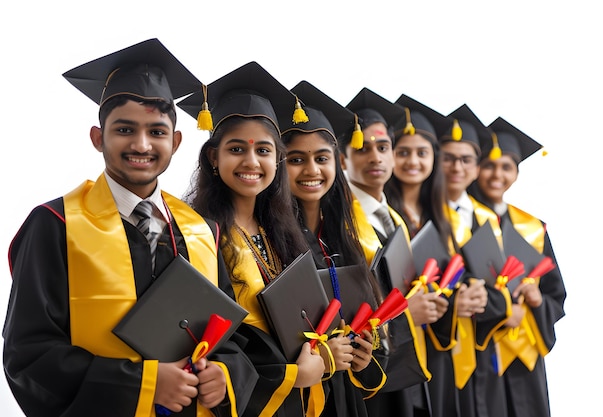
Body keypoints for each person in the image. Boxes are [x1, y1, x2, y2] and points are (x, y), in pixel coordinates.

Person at [3, 39, 257, 417]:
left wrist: (224, 373)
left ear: (175, 142)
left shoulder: (201, 230)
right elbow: (29, 352)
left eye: (156, 132)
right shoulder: (55, 225)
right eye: (125, 129)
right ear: (97, 137)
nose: (142, 144)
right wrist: (143, 384)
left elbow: (231, 333)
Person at [178, 61, 326, 417]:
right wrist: (293, 375)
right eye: (236, 149)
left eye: (263, 150)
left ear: (278, 159)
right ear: (214, 157)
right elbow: (208, 336)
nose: (251, 161)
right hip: (242, 400)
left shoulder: (286, 232)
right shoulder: (195, 234)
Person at [282, 80, 388, 416]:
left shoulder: (345, 235)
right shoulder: (271, 239)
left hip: (345, 399)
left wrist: (363, 358)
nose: (312, 170)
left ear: (337, 163)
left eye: (321, 158)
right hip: (300, 400)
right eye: (296, 159)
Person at [340, 87, 436, 417]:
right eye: (362, 149)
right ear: (343, 160)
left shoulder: (392, 215)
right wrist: (409, 315)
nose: (375, 157)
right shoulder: (341, 221)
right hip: (373, 374)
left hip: (407, 368)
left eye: (383, 147)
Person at [468, 116, 566, 417]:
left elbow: (556, 295)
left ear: (517, 172)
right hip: (479, 353)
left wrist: (539, 302)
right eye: (489, 165)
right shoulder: (462, 219)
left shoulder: (532, 228)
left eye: (507, 167)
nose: (498, 174)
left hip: (525, 355)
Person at [385, 94, 458, 417]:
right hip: (397, 342)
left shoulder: (441, 217)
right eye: (403, 152)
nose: (412, 161)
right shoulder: (381, 215)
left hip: (437, 342)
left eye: (422, 153)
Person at [437, 103, 508, 417]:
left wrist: (483, 300)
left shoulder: (487, 219)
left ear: (477, 166)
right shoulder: (421, 216)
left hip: (479, 351)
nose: (457, 167)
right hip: (437, 349)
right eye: (448, 158)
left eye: (466, 160)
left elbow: (505, 291)